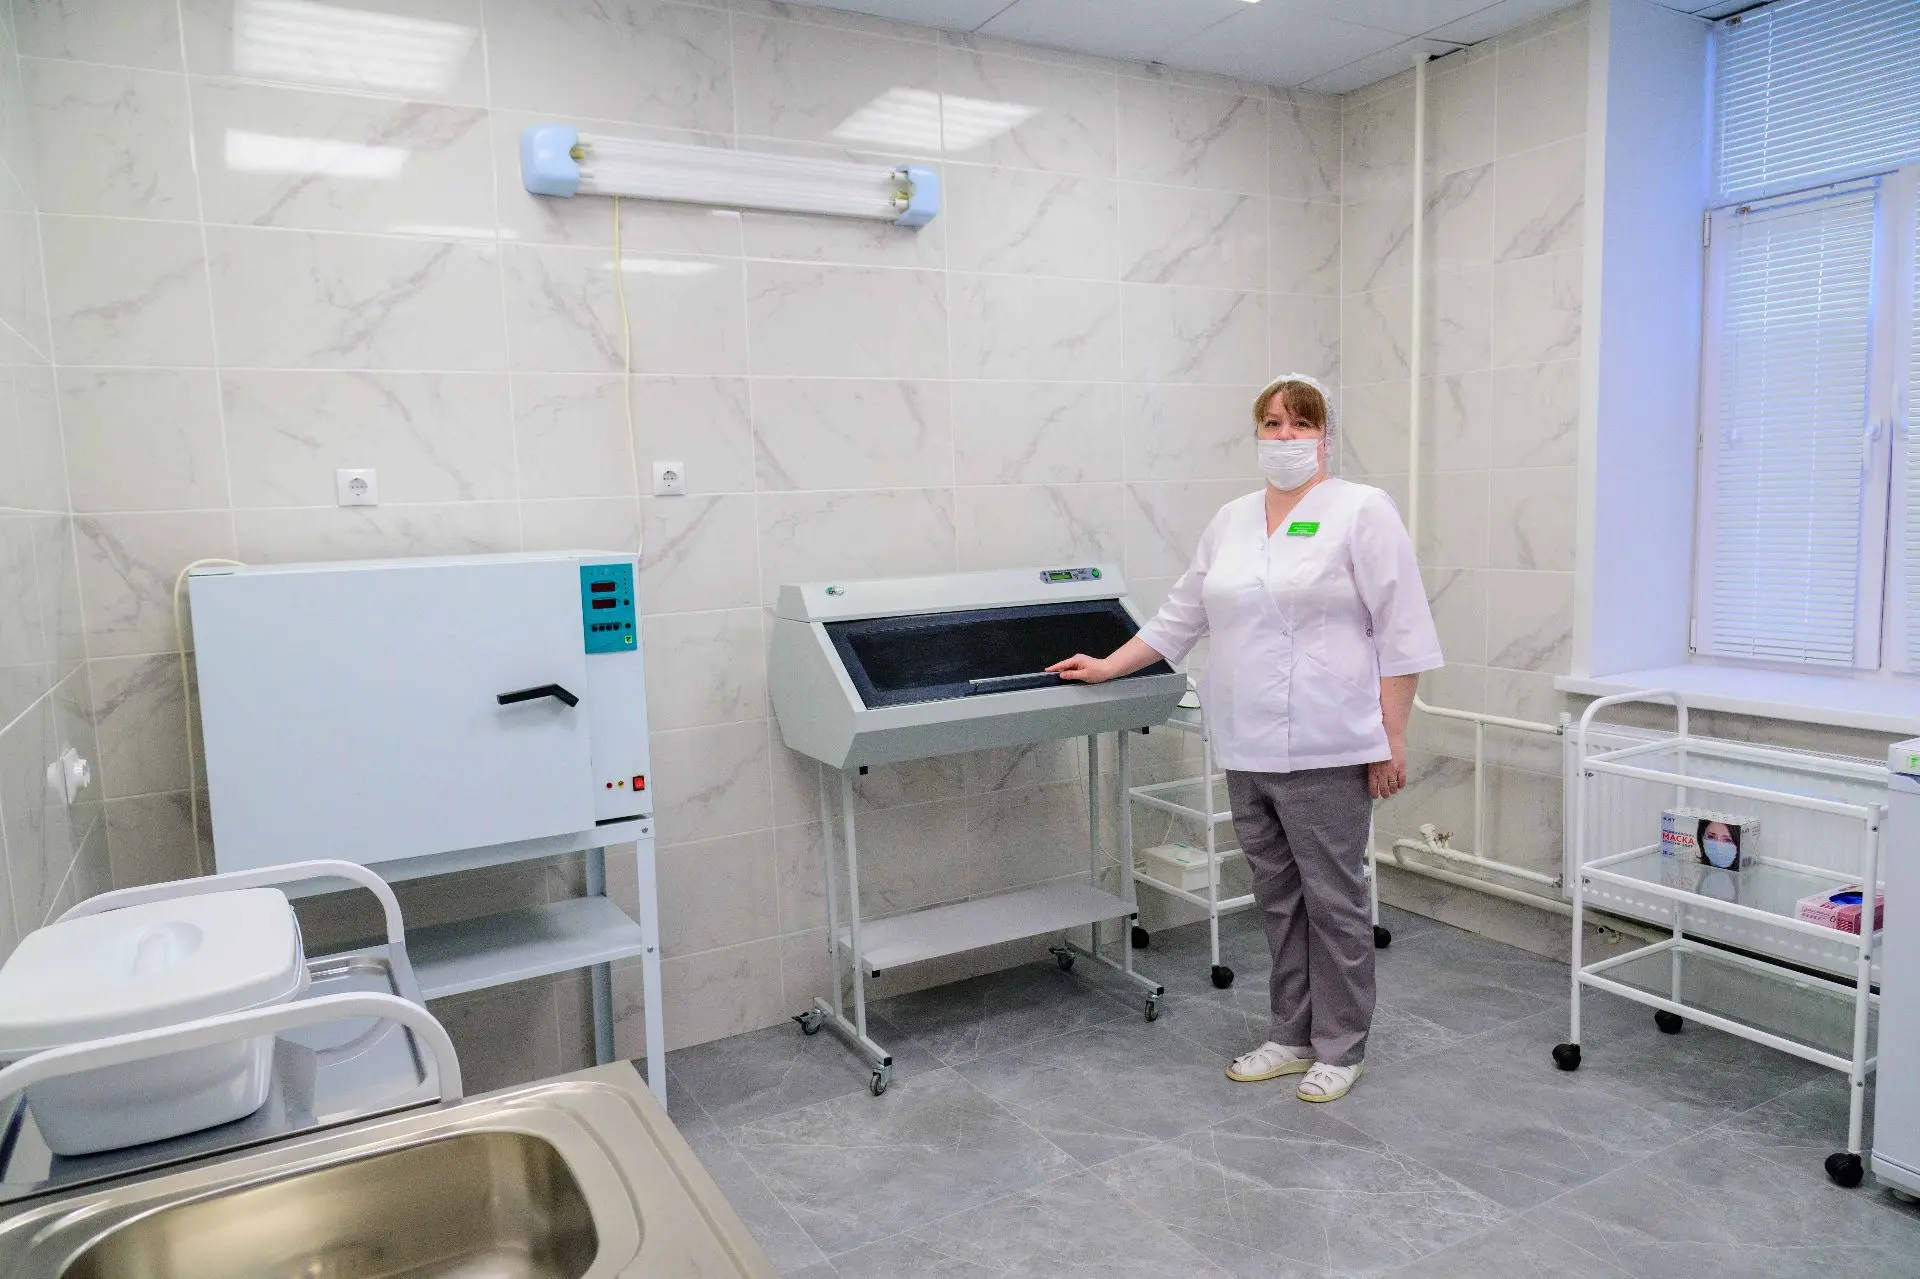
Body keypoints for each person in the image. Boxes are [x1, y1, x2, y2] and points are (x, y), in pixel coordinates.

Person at [1047, 373, 1441, 1103]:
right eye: (1272, 423)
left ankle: (1341, 1044)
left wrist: (1392, 737)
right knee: (1278, 899)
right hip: (1245, 743)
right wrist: (1108, 665)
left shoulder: (1361, 510)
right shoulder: (1231, 520)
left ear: (1325, 435)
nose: (1284, 436)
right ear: (1256, 432)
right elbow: (1180, 616)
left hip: (1328, 744)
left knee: (1334, 901)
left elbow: (1403, 630)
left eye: (1300, 423)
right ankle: (1291, 1034)